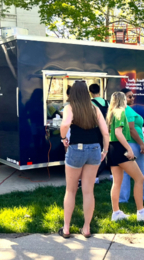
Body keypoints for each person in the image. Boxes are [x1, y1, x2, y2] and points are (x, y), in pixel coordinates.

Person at [59, 81, 109, 238]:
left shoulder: (70, 107)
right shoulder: (94, 108)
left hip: (76, 149)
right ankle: (86, 228)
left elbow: (65, 123)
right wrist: (105, 150)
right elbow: (106, 133)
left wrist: (62, 138)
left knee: (71, 190)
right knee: (88, 191)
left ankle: (66, 228)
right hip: (94, 149)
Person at [106, 92, 144, 222]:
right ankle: (141, 212)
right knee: (140, 178)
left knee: (117, 182)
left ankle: (116, 212)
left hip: (112, 149)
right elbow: (118, 132)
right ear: (122, 101)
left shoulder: (111, 113)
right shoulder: (121, 112)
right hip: (120, 149)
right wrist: (129, 149)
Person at [119, 88, 144, 205]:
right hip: (134, 145)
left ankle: (123, 199)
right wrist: (142, 144)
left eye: (133, 96)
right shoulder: (127, 110)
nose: (132, 98)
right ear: (123, 98)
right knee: (139, 173)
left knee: (127, 173)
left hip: (132, 144)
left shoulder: (126, 110)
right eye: (129, 96)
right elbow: (131, 129)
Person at [89, 83, 111, 183]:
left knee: (97, 152)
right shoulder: (107, 102)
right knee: (108, 151)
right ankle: (112, 174)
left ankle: (96, 176)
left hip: (96, 130)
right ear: (99, 91)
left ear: (90, 92)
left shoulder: (90, 103)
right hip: (107, 129)